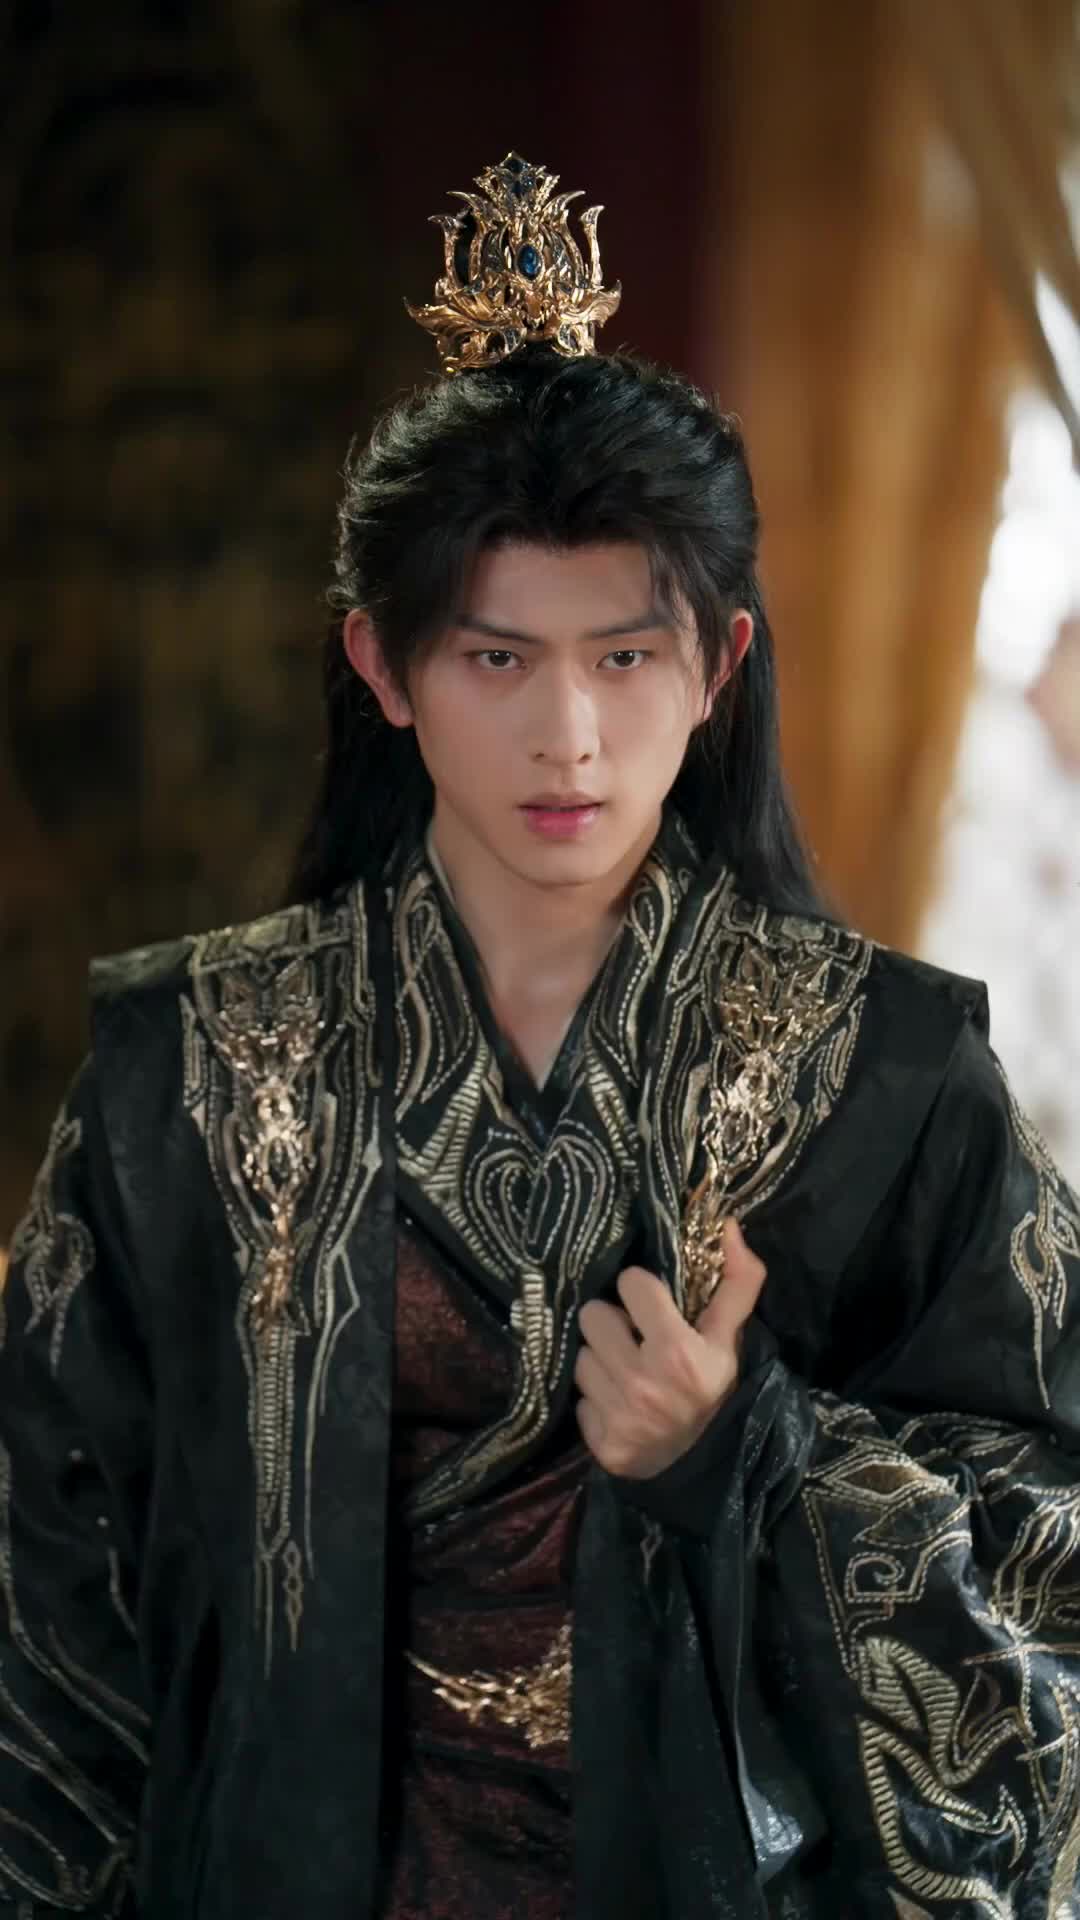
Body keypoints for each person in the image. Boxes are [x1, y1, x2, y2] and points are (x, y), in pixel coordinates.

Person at [1, 151, 1079, 1920]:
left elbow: (1051, 1567)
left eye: (625, 659)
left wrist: (749, 1456)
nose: (567, 737)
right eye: (496, 660)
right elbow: (47, 1617)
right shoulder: (187, 1071)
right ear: (381, 665)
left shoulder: (883, 1076)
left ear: (718, 667)